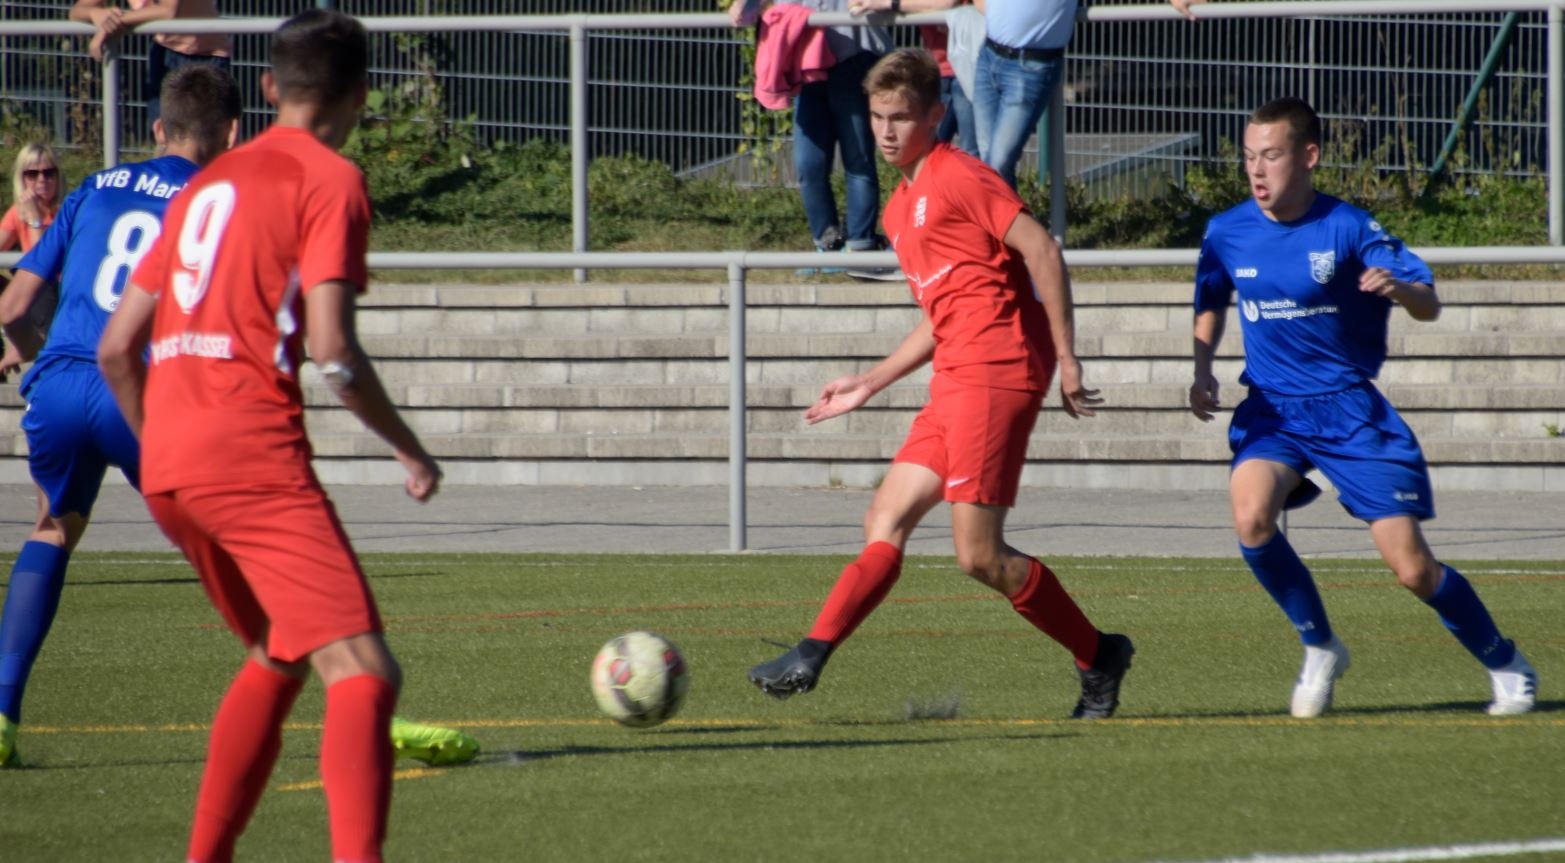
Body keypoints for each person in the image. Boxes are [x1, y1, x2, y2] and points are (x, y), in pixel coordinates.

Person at [0, 66, 476, 777]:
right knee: (251, 553)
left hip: (65, 382)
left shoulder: (93, 188)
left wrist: (33, 353)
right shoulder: (216, 196)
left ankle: (3, 716)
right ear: (231, 133)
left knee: (51, 529)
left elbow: (12, 309)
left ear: (157, 128)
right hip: (148, 389)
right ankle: (367, 701)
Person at [96, 13, 443, 859]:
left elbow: (116, 348)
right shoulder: (330, 180)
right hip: (249, 456)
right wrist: (408, 447)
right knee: (364, 671)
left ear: (266, 87)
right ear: (361, 96)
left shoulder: (206, 184)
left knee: (278, 651)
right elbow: (334, 352)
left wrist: (163, 448)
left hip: (170, 464)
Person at [746, 48, 1134, 720]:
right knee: (884, 517)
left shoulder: (959, 175)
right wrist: (870, 381)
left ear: (934, 116)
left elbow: (1042, 248)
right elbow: (941, 313)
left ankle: (1098, 654)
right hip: (955, 376)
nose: (886, 130)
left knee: (978, 556)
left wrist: (1068, 359)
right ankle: (812, 650)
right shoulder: (898, 210)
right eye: (877, 116)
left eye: (900, 117)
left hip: (998, 371)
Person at [1189, 97, 1538, 718]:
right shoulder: (1227, 230)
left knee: (1412, 570)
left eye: (1271, 155)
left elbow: (1428, 303)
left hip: (1350, 412)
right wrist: (1201, 368)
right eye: (1248, 157)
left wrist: (1397, 288)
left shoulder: (1348, 227)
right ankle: (1320, 646)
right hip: (1274, 410)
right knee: (1251, 517)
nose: (1257, 170)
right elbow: (1211, 297)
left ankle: (1506, 662)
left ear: (1309, 156)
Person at [731, 0, 894, 271]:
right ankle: (827, 245)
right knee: (809, 164)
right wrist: (740, 6)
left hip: (854, 59)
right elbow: (746, 13)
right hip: (805, 63)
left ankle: (860, 245)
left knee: (858, 158)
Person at [849, 0, 978, 158]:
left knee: (972, 150)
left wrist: (892, 4)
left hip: (968, 68)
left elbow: (946, 3)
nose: (886, 132)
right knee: (926, 149)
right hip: (939, 69)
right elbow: (856, 4)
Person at [69, 0, 232, 122]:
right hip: (165, 50)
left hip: (206, 55)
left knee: (203, 136)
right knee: (162, 131)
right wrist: (96, 13)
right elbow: (75, 12)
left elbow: (167, 11)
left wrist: (111, 24)